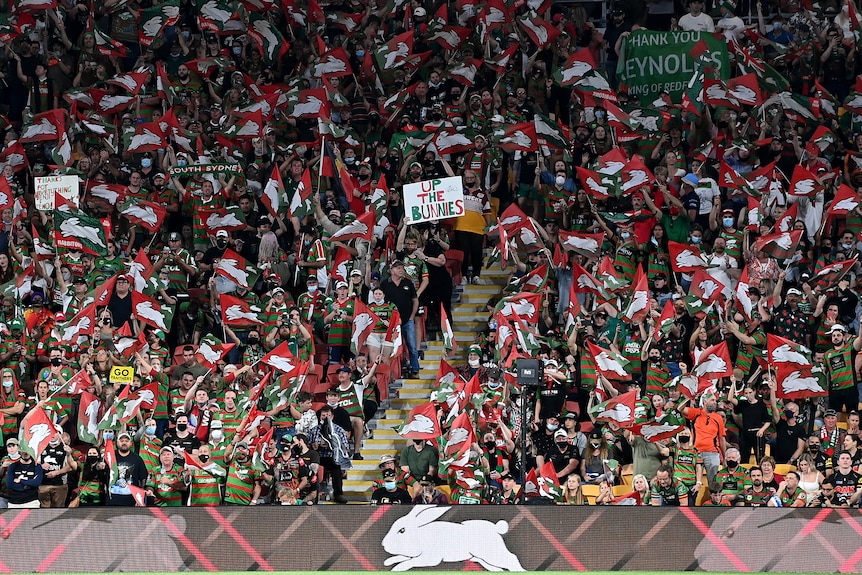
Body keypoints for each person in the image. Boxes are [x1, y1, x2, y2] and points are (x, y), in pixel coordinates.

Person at [107, 432, 149, 507]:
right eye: (122, 441)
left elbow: (143, 477)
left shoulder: (137, 459)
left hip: (131, 498)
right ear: (117, 443)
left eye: (126, 441)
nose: (124, 443)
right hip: (112, 498)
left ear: (130, 443)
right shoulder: (111, 457)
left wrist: (140, 496)